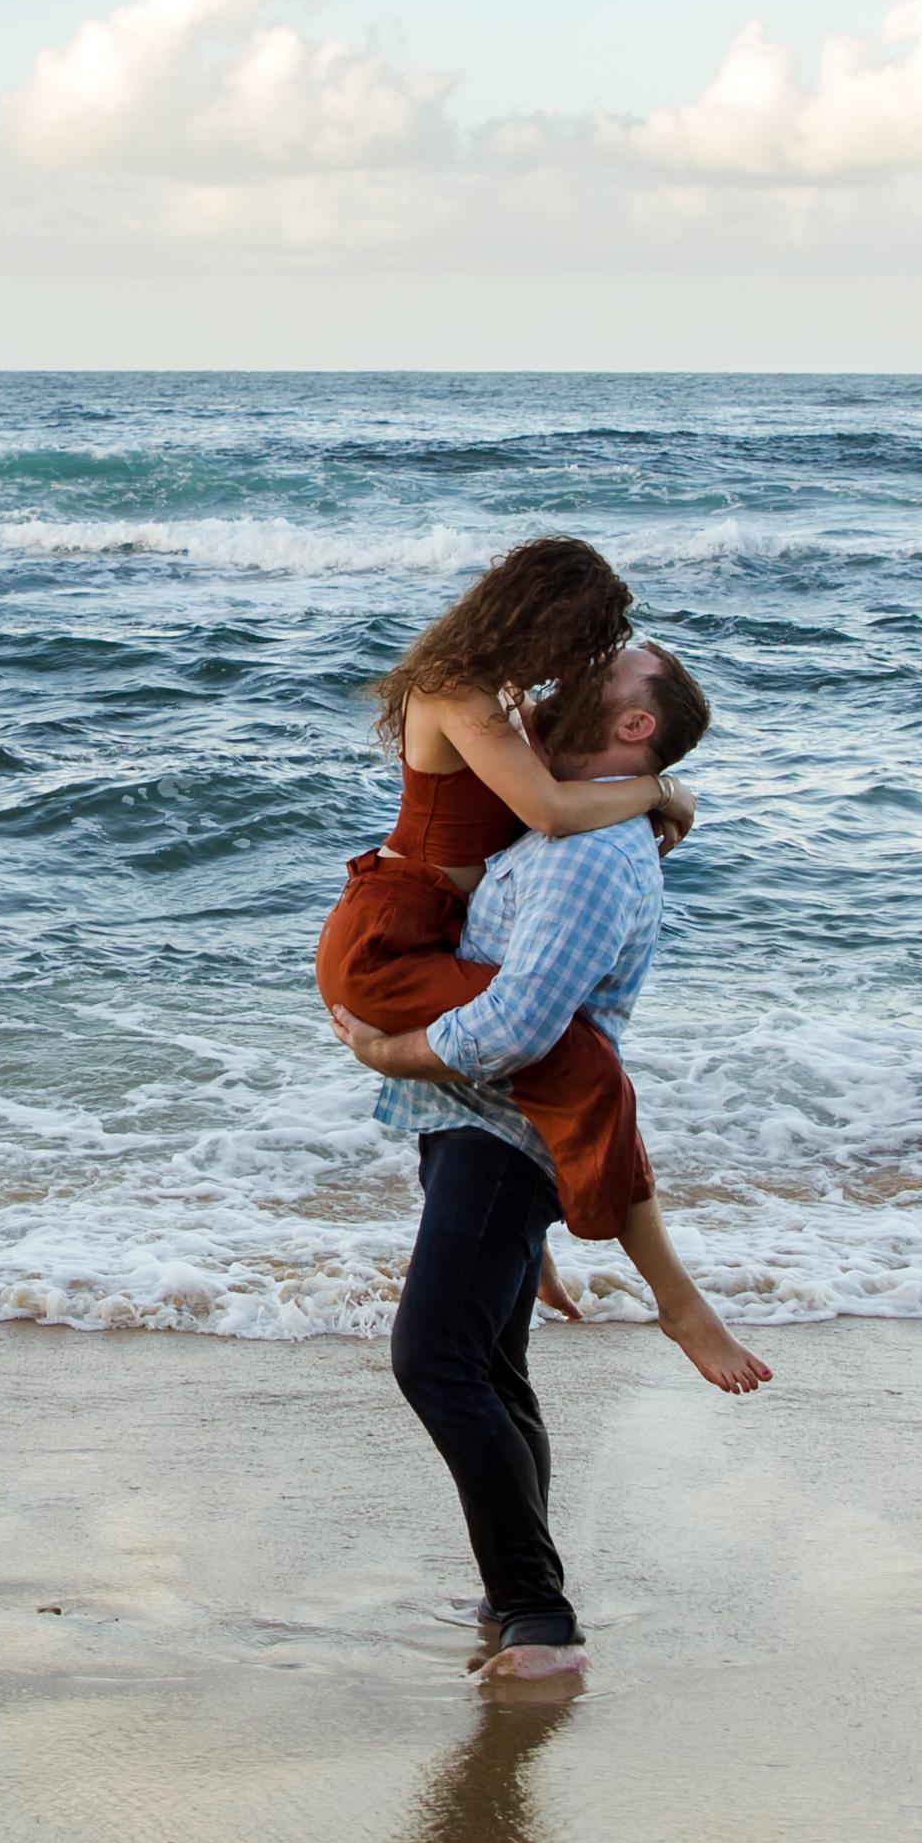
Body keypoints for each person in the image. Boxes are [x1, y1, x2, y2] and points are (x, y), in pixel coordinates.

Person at [325, 610, 774, 1684]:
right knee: (487, 1362)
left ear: (633, 723)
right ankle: (518, 1599)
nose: (567, 676)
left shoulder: (587, 856)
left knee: (436, 1362)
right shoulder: (571, 824)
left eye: (601, 670)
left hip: (504, 1127)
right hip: (486, 1127)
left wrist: (388, 1048)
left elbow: (521, 1027)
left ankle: (538, 1614)